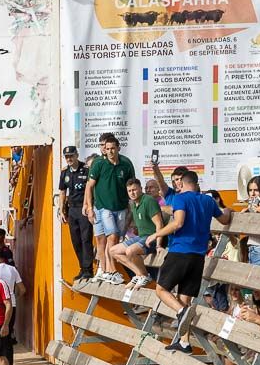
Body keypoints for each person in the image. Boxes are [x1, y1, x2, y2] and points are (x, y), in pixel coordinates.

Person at [146, 169, 232, 352]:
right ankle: (185, 342)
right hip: (198, 256)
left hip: (180, 251)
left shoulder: (180, 198)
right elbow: (224, 219)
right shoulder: (208, 200)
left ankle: (181, 312)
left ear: (181, 183)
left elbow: (178, 223)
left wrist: (156, 234)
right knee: (183, 297)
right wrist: (227, 209)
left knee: (161, 290)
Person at [84, 133, 135, 282]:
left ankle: (105, 270)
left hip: (121, 207)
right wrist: (88, 207)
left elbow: (131, 185)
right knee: (109, 237)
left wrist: (132, 205)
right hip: (103, 207)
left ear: (118, 148)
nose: (110, 151)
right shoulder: (99, 163)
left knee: (115, 238)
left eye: (113, 148)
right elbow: (89, 186)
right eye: (107, 148)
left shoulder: (126, 163)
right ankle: (109, 271)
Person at [111, 177, 163, 288]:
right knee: (113, 251)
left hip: (152, 238)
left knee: (130, 251)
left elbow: (159, 224)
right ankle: (139, 274)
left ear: (140, 188)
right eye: (129, 191)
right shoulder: (134, 204)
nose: (132, 193)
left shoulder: (148, 200)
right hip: (141, 237)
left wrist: (158, 245)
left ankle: (145, 275)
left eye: (134, 190)